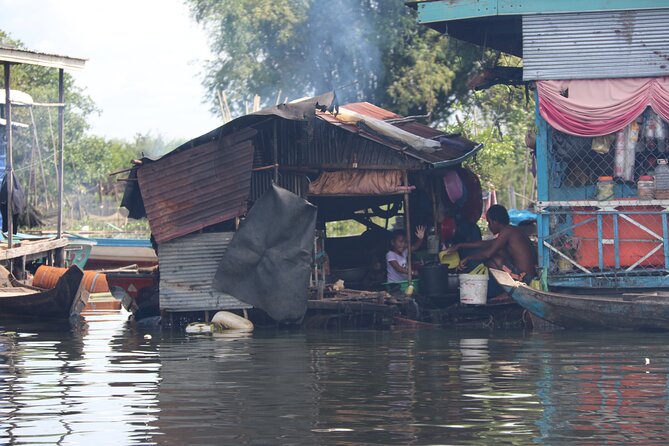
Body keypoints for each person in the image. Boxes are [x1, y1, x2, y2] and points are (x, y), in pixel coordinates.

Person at [447, 205, 536, 283]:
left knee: (492, 258)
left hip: (524, 277)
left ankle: (507, 291)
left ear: (495, 222)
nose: (489, 226)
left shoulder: (507, 232)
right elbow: (485, 244)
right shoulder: (512, 230)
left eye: (489, 222)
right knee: (497, 252)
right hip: (529, 275)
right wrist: (460, 245)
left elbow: (487, 255)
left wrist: (468, 258)